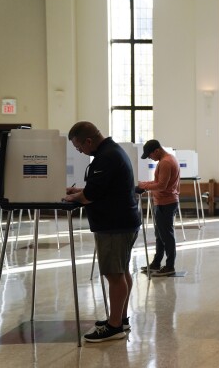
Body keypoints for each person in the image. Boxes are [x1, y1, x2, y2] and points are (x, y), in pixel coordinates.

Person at [64, 121, 141, 342]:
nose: (80, 151)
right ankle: (120, 318)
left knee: (114, 275)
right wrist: (81, 190)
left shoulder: (106, 157)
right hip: (123, 222)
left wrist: (74, 196)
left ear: (88, 141)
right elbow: (102, 187)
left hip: (114, 225)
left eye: (79, 147)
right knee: (122, 271)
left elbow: (91, 195)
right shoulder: (112, 151)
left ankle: (114, 326)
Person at [137, 140, 181, 277]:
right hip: (163, 202)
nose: (150, 158)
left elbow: (161, 185)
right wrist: (143, 184)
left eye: (150, 155)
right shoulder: (168, 159)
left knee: (166, 235)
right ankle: (156, 263)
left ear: (156, 151)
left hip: (165, 203)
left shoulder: (165, 162)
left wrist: (143, 187)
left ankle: (169, 266)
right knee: (160, 235)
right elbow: (158, 182)